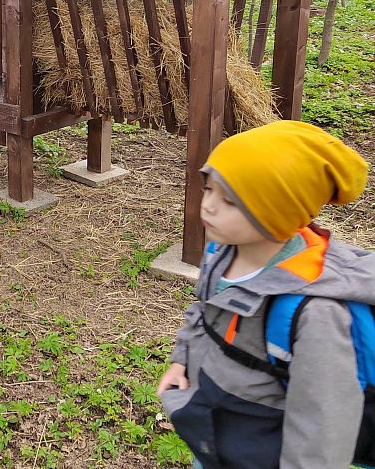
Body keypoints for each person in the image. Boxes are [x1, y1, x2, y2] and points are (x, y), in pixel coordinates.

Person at [157, 120, 371, 469]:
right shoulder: (221, 252)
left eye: (229, 200)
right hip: (217, 427)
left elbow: (322, 428)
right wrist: (182, 359)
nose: (208, 205)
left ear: (278, 214)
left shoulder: (314, 312)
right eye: (208, 188)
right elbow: (204, 312)